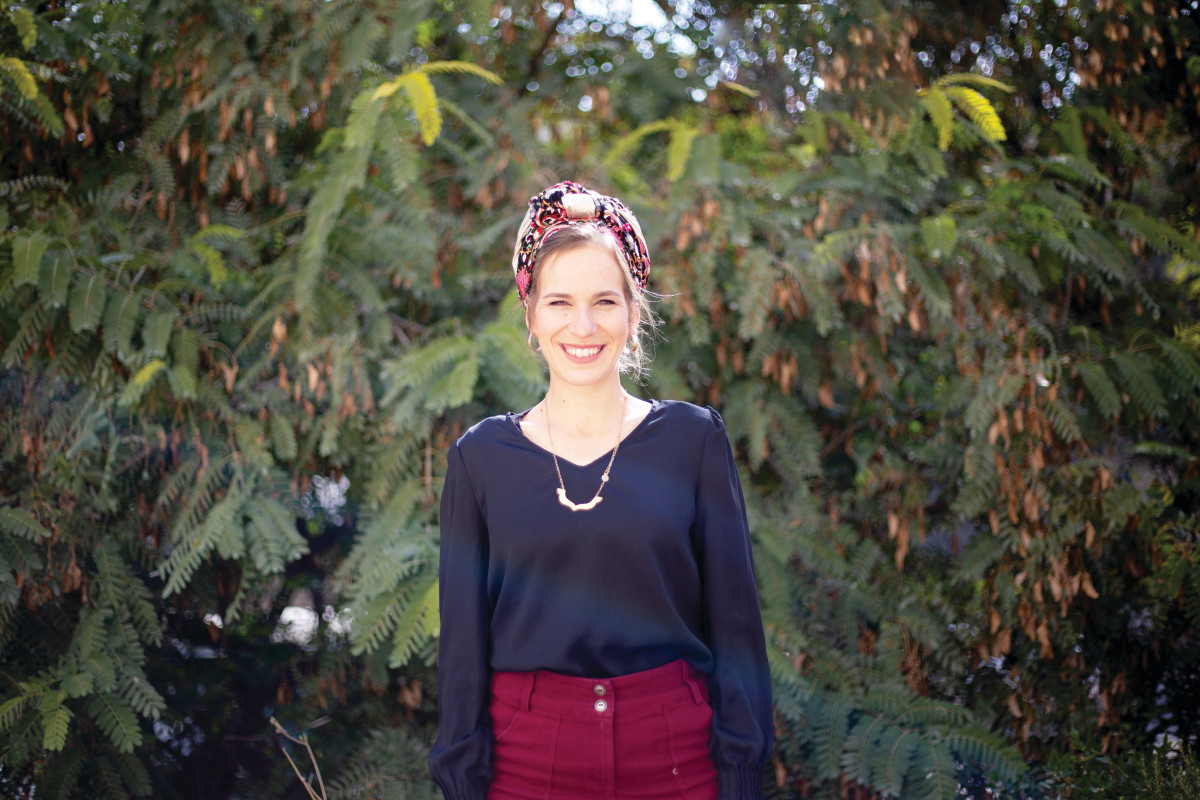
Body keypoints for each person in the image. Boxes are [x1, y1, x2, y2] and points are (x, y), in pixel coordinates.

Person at [428, 181, 774, 800]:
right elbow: (461, 648)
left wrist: (741, 774)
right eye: (559, 302)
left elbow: (737, 627)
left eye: (604, 301)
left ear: (632, 313)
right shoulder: (480, 459)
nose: (582, 325)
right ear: (531, 316)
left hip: (675, 758)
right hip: (525, 763)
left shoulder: (694, 441)